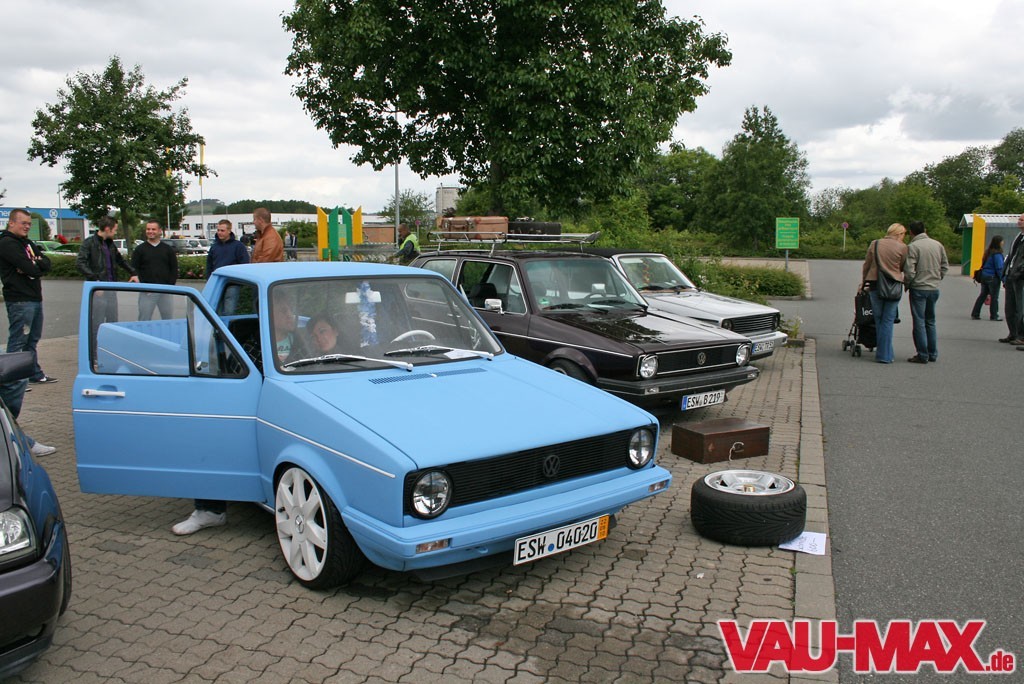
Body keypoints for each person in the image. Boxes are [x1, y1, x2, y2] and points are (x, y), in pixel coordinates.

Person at [0, 208, 57, 385]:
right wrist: (34, 265)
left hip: (34, 297)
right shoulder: (7, 243)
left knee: (32, 340)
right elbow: (31, 269)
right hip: (20, 299)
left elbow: (46, 264)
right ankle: (12, 381)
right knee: (18, 340)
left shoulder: (27, 243)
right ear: (11, 223)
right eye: (23, 223)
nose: (27, 227)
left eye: (29, 224)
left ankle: (33, 373)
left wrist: (35, 264)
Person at [76, 216, 139, 325]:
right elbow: (80, 263)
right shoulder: (89, 243)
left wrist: (133, 272)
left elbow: (120, 260)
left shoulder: (110, 244)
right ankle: (96, 337)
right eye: (114, 229)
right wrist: (95, 282)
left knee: (113, 321)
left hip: (111, 288)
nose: (115, 232)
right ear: (107, 229)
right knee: (97, 321)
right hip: (98, 290)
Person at [861, 223, 908, 364]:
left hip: (875, 284)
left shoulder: (875, 244)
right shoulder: (903, 247)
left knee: (879, 319)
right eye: (903, 234)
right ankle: (885, 355)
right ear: (899, 234)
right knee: (888, 320)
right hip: (893, 285)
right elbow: (903, 266)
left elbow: (867, 264)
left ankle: (885, 353)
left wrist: (863, 282)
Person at [904, 220, 949, 364]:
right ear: (925, 230)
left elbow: (909, 270)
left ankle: (922, 354)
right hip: (933, 288)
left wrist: (908, 284)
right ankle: (932, 353)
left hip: (918, 288)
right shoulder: (938, 245)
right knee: (931, 321)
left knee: (919, 321)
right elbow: (945, 266)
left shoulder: (913, 247)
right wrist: (937, 278)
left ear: (911, 232)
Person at [130, 219, 178, 320]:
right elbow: (134, 269)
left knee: (168, 320)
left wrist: (170, 287)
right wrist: (143, 287)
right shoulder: (139, 250)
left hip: (165, 290)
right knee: (144, 319)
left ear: (159, 231)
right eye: (148, 229)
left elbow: (174, 269)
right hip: (147, 291)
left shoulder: (168, 249)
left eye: (153, 229)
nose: (150, 231)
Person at [1002, 213, 1024, 346]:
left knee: (1020, 308)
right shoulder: (1018, 236)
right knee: (1010, 307)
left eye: (1022, 220)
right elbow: (1011, 256)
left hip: (1020, 277)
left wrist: (1020, 272)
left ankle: (1022, 336)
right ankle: (1013, 333)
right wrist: (1005, 272)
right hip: (1011, 275)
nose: (1019, 221)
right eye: (1019, 219)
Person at [970, 235, 1003, 321]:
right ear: (999, 243)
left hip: (984, 276)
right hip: (993, 277)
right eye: (1002, 241)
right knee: (994, 297)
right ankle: (994, 315)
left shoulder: (988, 252)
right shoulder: (997, 254)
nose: (1003, 243)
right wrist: (1003, 279)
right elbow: (999, 268)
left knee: (982, 295)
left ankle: (975, 313)